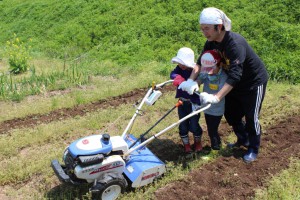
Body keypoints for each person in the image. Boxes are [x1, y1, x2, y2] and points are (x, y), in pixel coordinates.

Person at [179, 7, 268, 162]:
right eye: (202, 29)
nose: (204, 32)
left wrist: (216, 97)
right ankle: (243, 140)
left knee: (251, 117)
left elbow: (235, 75)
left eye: (207, 28)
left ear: (219, 27)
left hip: (252, 84)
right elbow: (200, 62)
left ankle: (253, 148)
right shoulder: (211, 42)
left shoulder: (235, 44)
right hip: (233, 84)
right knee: (232, 114)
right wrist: (191, 81)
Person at [170, 47, 203, 153]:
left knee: (194, 125)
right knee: (183, 125)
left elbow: (201, 78)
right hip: (182, 102)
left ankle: (197, 142)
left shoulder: (195, 70)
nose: (181, 65)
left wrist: (194, 83)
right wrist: (179, 79)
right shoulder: (179, 69)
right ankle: (186, 145)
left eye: (183, 63)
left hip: (194, 103)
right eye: (180, 63)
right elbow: (172, 74)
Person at [197, 50, 227, 150]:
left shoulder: (223, 77)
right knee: (210, 127)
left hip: (217, 108)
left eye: (212, 68)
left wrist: (212, 97)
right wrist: (195, 84)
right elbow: (201, 79)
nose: (210, 71)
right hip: (207, 107)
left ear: (220, 64)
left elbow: (222, 91)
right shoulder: (207, 72)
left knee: (212, 129)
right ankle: (217, 144)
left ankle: (216, 147)